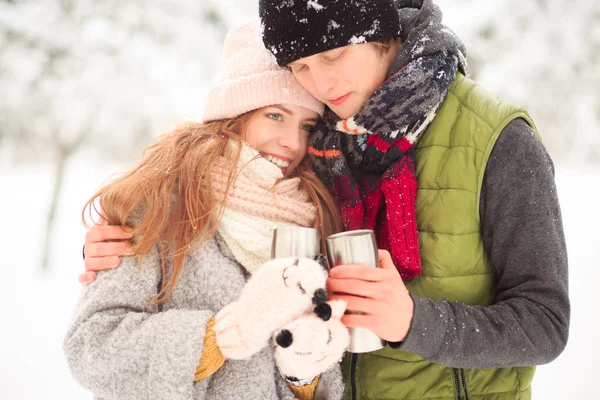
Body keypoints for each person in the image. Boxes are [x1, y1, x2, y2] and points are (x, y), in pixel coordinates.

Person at [83, 1, 570, 399]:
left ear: (382, 33)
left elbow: (545, 324)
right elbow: (229, 204)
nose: (322, 84)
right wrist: (122, 242)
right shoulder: (319, 145)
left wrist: (414, 322)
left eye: (334, 56)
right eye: (301, 67)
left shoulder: (499, 140)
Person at [65, 19, 351, 400]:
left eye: (306, 125)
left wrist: (303, 374)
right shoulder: (164, 202)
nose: (291, 142)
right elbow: (92, 348)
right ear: (235, 114)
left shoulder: (310, 215)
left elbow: (308, 372)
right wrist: (222, 336)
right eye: (275, 116)